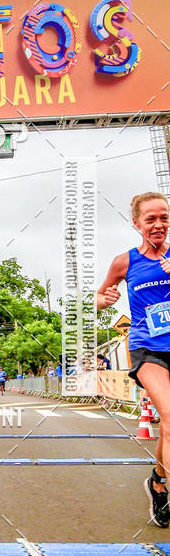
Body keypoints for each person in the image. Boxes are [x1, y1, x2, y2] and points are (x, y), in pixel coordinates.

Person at [98, 191, 170, 528]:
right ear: (137, 223)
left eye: (164, 217)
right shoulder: (124, 262)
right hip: (148, 348)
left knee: (168, 427)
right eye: (151, 218)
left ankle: (158, 483)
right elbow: (100, 296)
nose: (158, 224)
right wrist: (105, 299)